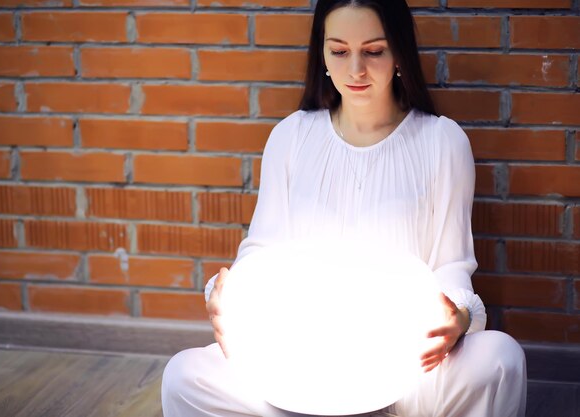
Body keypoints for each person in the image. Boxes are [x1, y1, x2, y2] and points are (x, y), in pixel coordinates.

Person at [161, 0, 527, 416]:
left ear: (399, 55)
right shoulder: (292, 137)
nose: (355, 69)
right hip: (301, 364)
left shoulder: (442, 142)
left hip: (402, 368)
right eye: (339, 51)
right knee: (183, 376)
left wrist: (459, 316)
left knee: (500, 359)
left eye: (373, 51)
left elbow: (451, 265)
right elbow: (260, 253)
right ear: (323, 56)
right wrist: (229, 296)